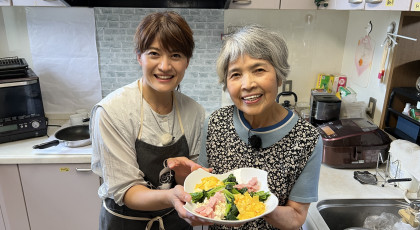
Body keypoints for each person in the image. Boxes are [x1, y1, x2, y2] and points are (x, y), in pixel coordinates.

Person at [90, 11, 209, 230]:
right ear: (139, 56)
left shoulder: (194, 112)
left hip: (176, 220)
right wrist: (170, 195)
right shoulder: (113, 111)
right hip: (126, 222)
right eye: (154, 53)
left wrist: (186, 174)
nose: (164, 66)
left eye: (175, 55)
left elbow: (187, 182)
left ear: (187, 61)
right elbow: (127, 190)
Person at [198, 25, 323, 230]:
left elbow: (296, 217)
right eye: (235, 74)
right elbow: (205, 188)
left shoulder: (307, 139)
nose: (247, 84)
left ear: (279, 75)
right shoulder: (215, 123)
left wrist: (251, 203)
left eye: (259, 70)